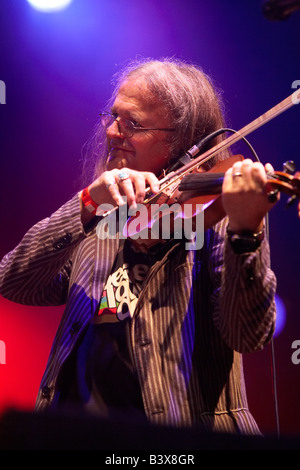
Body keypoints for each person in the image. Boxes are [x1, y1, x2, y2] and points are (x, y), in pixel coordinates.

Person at [0, 58, 277, 434]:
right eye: (113, 117)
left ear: (183, 141)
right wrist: (86, 202)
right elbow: (14, 281)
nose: (113, 132)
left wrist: (246, 235)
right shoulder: (102, 213)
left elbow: (247, 334)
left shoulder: (221, 215)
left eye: (132, 124)